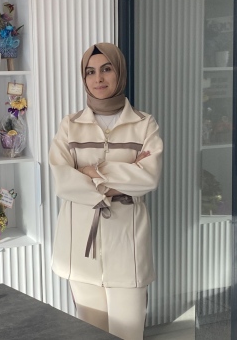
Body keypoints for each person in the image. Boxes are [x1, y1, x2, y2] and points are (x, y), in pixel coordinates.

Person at [48, 42, 163, 340]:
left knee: (128, 333)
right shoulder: (71, 125)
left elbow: (148, 178)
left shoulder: (144, 124)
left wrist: (93, 172)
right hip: (80, 248)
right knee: (91, 333)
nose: (98, 78)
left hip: (128, 246)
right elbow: (62, 181)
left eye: (106, 69)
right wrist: (125, 173)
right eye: (90, 72)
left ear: (119, 72)